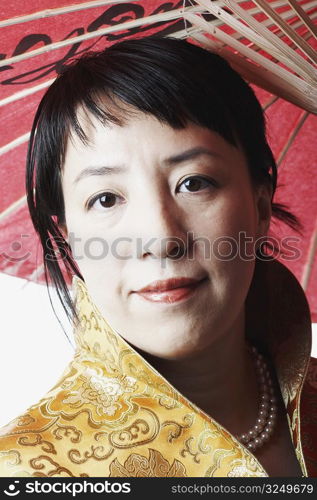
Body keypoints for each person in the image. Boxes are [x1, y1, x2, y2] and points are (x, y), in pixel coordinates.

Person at [0, 36, 316, 478]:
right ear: (68, 238)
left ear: (260, 208)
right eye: (106, 198)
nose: (161, 239)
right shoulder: (26, 470)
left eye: (193, 183)